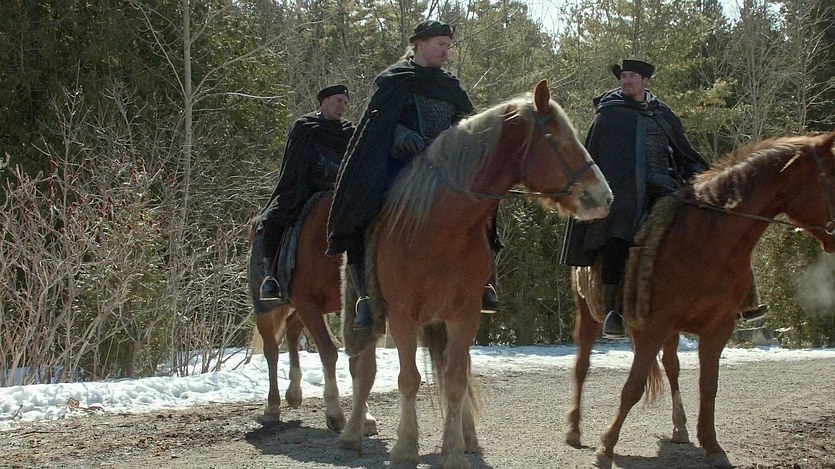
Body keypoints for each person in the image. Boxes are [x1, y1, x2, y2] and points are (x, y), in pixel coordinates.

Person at [327, 19, 500, 330]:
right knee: (364, 206)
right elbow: (379, 126)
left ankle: (484, 282)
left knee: (483, 201)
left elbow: (465, 123)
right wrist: (402, 134)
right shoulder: (394, 80)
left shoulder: (449, 85)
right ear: (419, 43)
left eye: (448, 46)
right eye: (441, 45)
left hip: (444, 167)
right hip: (401, 164)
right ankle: (365, 297)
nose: (446, 52)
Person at [561, 60, 710, 339]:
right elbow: (595, 161)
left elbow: (684, 153)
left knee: (707, 224)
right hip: (624, 194)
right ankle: (613, 313)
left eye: (632, 76)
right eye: (624, 77)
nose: (627, 81)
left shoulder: (662, 113)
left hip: (668, 189)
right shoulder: (609, 115)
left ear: (645, 81)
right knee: (617, 234)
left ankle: (724, 299)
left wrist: (696, 174)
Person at [259, 85, 354, 301]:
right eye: (339, 101)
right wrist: (323, 171)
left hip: (342, 191)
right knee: (274, 218)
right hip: (306, 188)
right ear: (324, 100)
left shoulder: (349, 132)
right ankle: (271, 277)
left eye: (346, 103)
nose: (343, 107)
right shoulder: (305, 127)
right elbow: (296, 164)